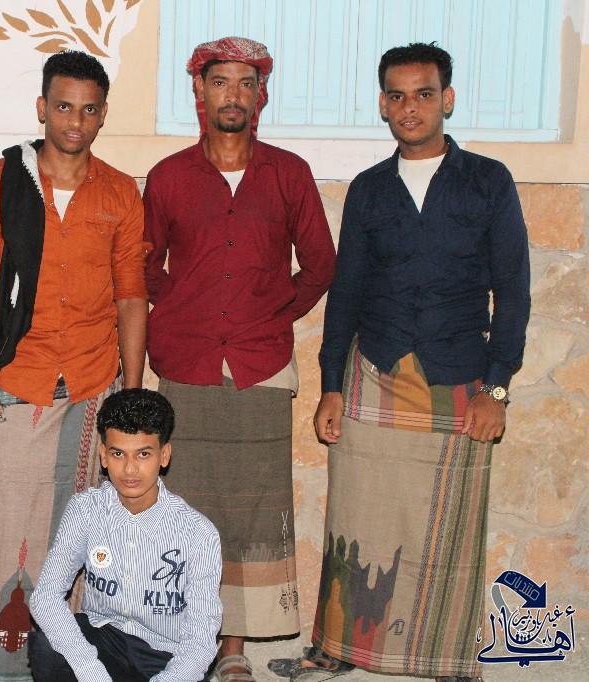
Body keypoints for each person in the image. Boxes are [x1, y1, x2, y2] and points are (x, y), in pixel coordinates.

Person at [270, 43, 531, 682]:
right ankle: (337, 648)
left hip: (458, 378)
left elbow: (514, 290)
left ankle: (447, 660)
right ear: (383, 105)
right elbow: (347, 293)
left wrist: (497, 389)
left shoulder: (488, 181)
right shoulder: (369, 189)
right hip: (374, 374)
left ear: (447, 99)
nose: (409, 107)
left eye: (423, 94)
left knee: (448, 529)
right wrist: (332, 385)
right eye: (396, 95)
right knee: (356, 522)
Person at [142, 36, 336, 680]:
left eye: (246, 84)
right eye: (220, 82)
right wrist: (179, 309)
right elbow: (143, 262)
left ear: (261, 96)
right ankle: (183, 639)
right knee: (185, 504)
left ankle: (231, 649)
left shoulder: (289, 174)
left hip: (261, 365)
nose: (233, 95)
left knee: (252, 508)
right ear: (199, 91)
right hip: (186, 364)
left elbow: (321, 265)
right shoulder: (169, 177)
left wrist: (273, 313)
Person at [0, 50, 149, 679]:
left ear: (103, 115)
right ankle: (5, 667)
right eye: (64, 106)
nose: (75, 121)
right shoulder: (5, 179)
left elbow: (131, 296)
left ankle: (67, 667)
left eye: (89, 110)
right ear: (42, 108)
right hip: (16, 382)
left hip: (93, 387)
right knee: (6, 530)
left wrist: (131, 395)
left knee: (81, 540)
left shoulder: (119, 191)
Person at [29, 389, 222, 682]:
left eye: (143, 454)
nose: (130, 469)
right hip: (104, 643)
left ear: (164, 455)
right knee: (46, 647)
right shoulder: (86, 510)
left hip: (166, 656)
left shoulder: (198, 533)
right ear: (104, 456)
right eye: (118, 454)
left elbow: (200, 641)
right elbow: (45, 597)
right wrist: (91, 672)